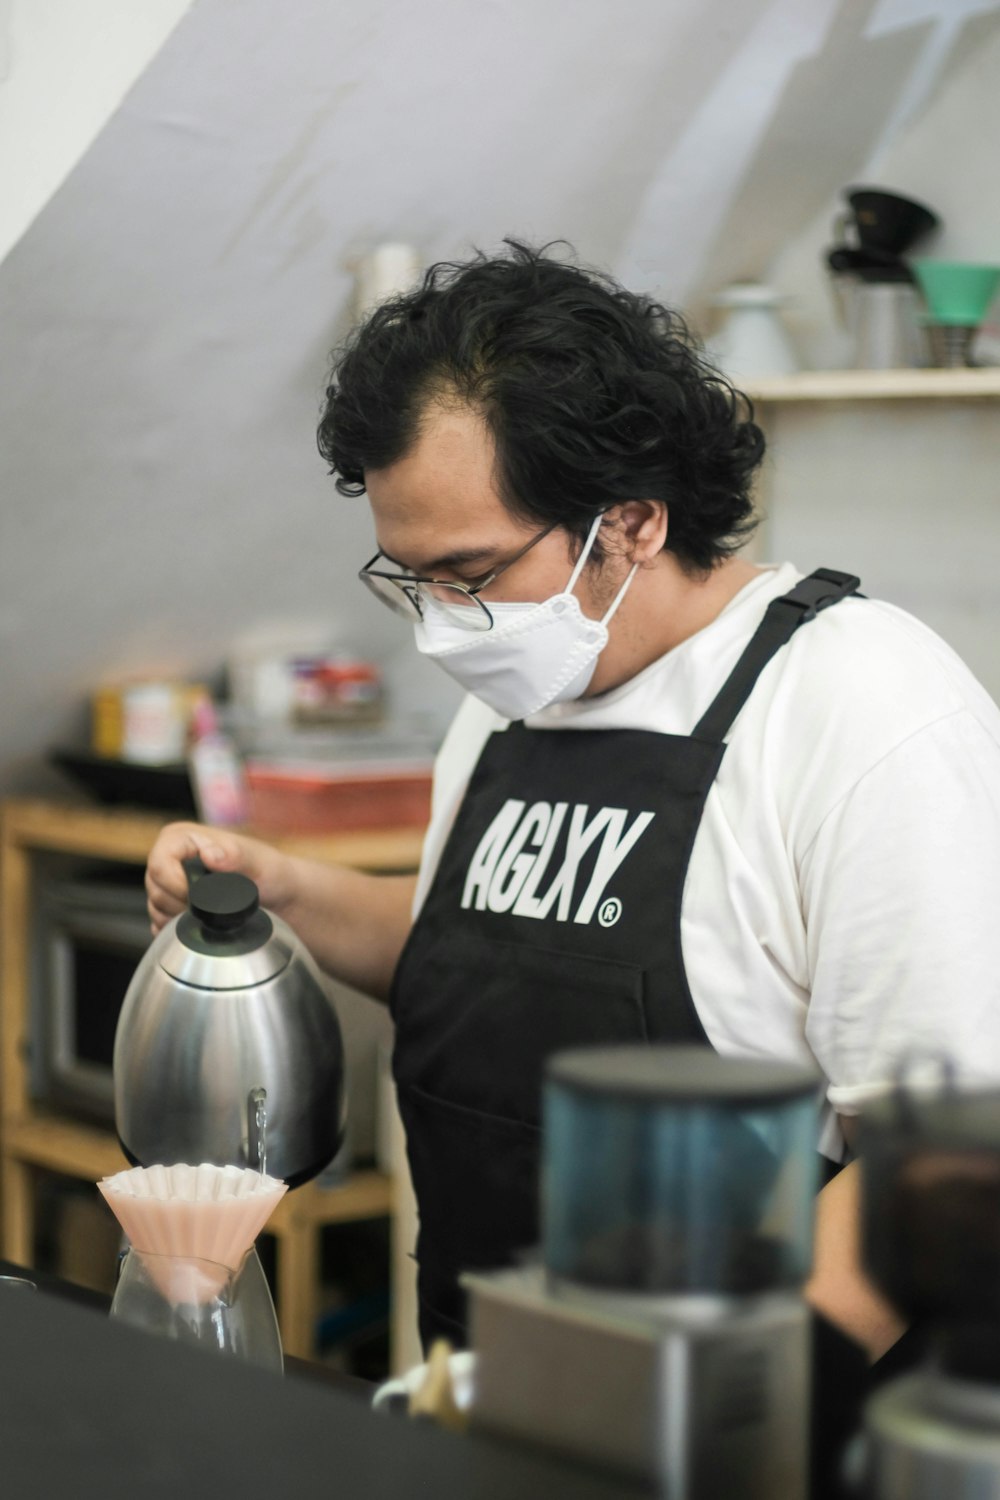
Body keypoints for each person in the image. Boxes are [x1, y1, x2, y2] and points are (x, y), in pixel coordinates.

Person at [146, 240, 1000, 1374]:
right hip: (485, 1384)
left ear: (633, 524)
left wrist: (689, 1427)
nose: (443, 623)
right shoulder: (523, 686)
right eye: (414, 581)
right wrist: (290, 889)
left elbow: (940, 1158)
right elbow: (481, 958)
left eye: (472, 574)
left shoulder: (855, 702)